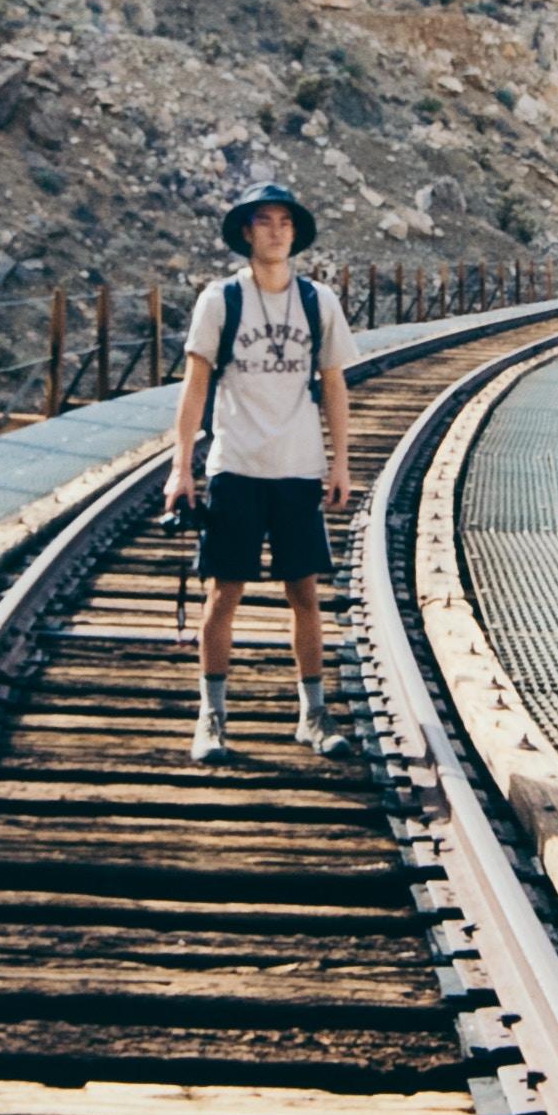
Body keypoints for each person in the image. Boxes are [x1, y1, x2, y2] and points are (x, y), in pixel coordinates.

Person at [166, 182, 353, 761]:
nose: (276, 231)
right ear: (246, 232)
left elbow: (334, 384)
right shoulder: (221, 300)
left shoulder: (318, 301)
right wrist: (181, 468)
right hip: (236, 466)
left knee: (305, 592)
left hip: (298, 468)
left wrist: (340, 461)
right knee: (224, 592)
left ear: (295, 233)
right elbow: (195, 388)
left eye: (284, 222)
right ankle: (212, 719)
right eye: (264, 221)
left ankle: (313, 715)